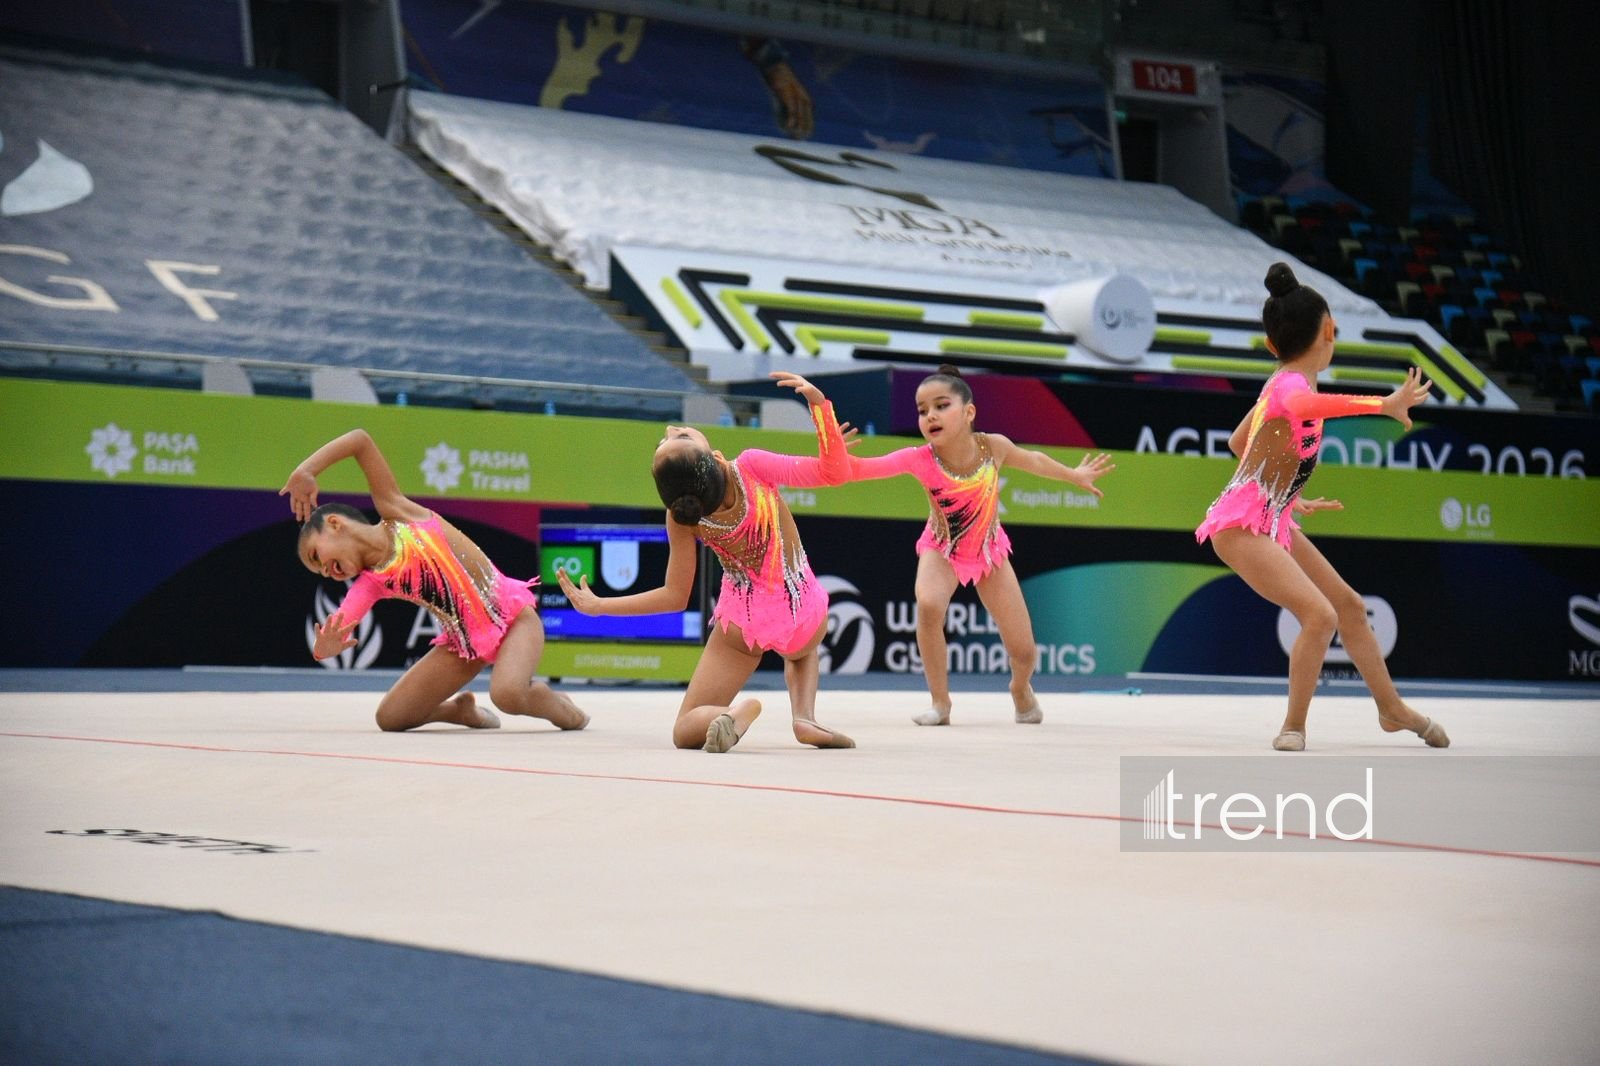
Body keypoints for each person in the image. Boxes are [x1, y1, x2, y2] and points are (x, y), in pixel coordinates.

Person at [1195, 262, 1449, 751]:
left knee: (1350, 607)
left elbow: (1238, 441)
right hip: (1241, 527)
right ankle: (1293, 727)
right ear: (1328, 333)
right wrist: (1382, 405)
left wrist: (1284, 493)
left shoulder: (1281, 383)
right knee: (1319, 616)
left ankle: (1391, 709)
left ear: (1273, 344)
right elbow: (1303, 412)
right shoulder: (1292, 387)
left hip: (1269, 518)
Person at [557, 372, 853, 753]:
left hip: (741, 625)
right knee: (801, 651)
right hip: (803, 610)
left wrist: (600, 607)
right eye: (677, 437)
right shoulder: (751, 467)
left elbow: (675, 596)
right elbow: (835, 472)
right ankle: (804, 717)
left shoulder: (681, 518)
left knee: (684, 730)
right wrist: (820, 408)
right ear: (714, 457)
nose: (670, 427)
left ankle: (731, 712)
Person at [836, 364, 1114, 726]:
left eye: (941, 405)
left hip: (988, 550)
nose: (930, 416)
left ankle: (1020, 688)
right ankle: (940, 704)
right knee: (929, 605)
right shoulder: (919, 458)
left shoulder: (993, 447)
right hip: (942, 548)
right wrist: (837, 456)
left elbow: (1035, 461)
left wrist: (1074, 475)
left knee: (1024, 651)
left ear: (968, 412)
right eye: (922, 410)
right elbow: (864, 469)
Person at [281, 429, 587, 733]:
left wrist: (306, 470)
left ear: (335, 524)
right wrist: (324, 649)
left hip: (513, 620)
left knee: (508, 696)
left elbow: (360, 440)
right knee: (390, 718)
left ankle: (560, 709)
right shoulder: (370, 583)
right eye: (319, 571)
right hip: (463, 646)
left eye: (317, 556)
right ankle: (457, 712)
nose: (326, 571)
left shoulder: (397, 511)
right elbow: (338, 625)